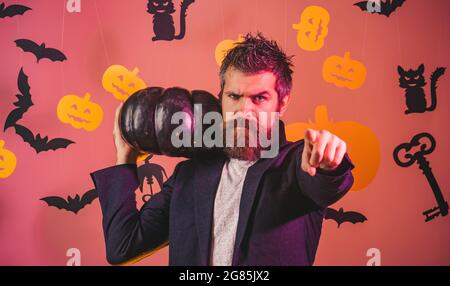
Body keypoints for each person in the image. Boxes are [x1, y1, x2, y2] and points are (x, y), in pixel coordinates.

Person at [90, 33, 355, 266]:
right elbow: (121, 247)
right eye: (234, 96)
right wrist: (124, 158)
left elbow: (327, 182)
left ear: (282, 102)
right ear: (221, 97)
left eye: (259, 98)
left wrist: (330, 164)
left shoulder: (298, 165)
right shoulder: (189, 175)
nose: (244, 111)